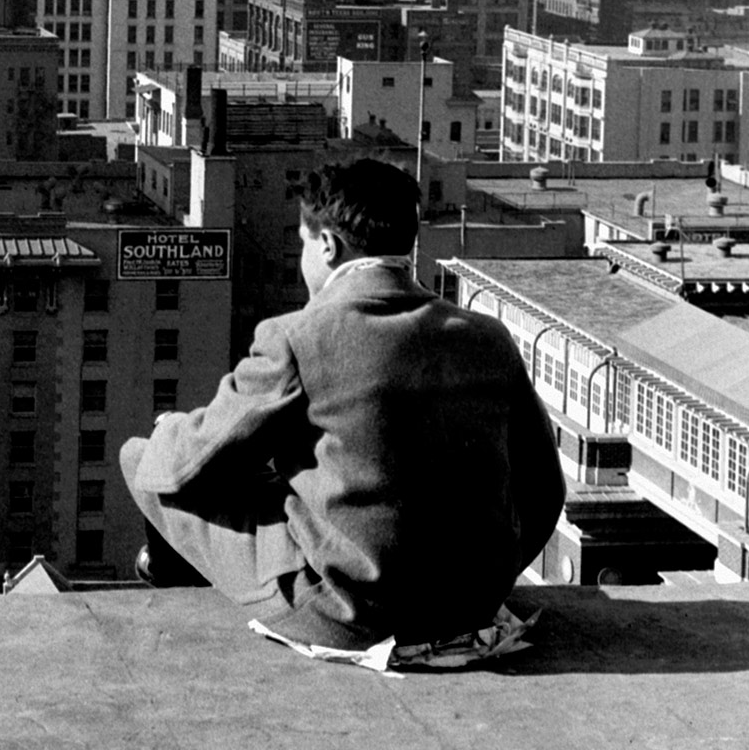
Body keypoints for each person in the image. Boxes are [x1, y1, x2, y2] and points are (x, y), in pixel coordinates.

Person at [121, 157, 564, 652]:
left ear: (328, 245)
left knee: (143, 458)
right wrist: (479, 583)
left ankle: (164, 577)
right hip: (472, 605)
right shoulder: (487, 336)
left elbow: (187, 465)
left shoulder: (297, 336)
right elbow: (545, 489)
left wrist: (168, 427)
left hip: (355, 613)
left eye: (303, 243)